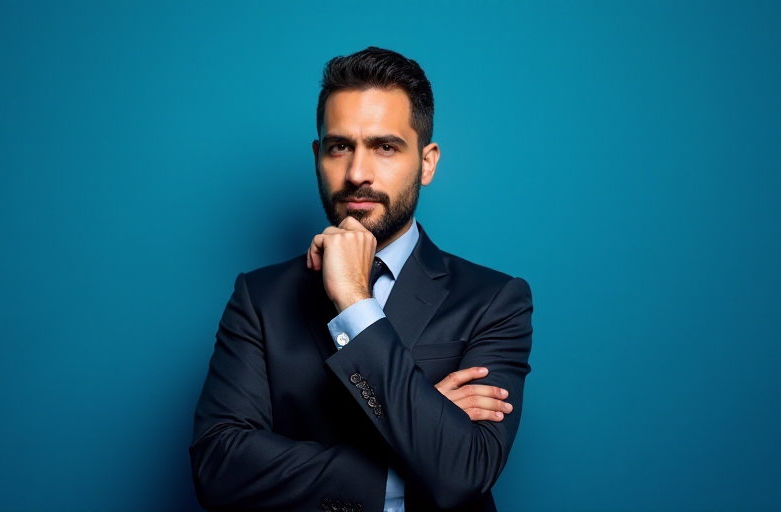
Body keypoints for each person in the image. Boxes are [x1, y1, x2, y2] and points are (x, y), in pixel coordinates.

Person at [189, 47, 533, 512]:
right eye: (339, 147)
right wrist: (416, 439)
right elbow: (217, 468)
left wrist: (353, 299)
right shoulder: (260, 298)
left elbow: (463, 471)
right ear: (318, 156)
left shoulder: (494, 300)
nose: (356, 174)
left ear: (427, 163)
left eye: (384, 147)